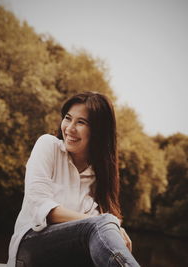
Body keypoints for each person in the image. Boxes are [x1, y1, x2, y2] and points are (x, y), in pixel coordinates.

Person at [7, 91, 140, 267]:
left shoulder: (101, 177)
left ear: (98, 131)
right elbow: (42, 207)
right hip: (29, 249)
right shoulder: (48, 145)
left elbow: (97, 238)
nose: (70, 128)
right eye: (68, 118)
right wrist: (108, 223)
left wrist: (107, 227)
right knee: (104, 224)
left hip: (67, 259)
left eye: (81, 122)